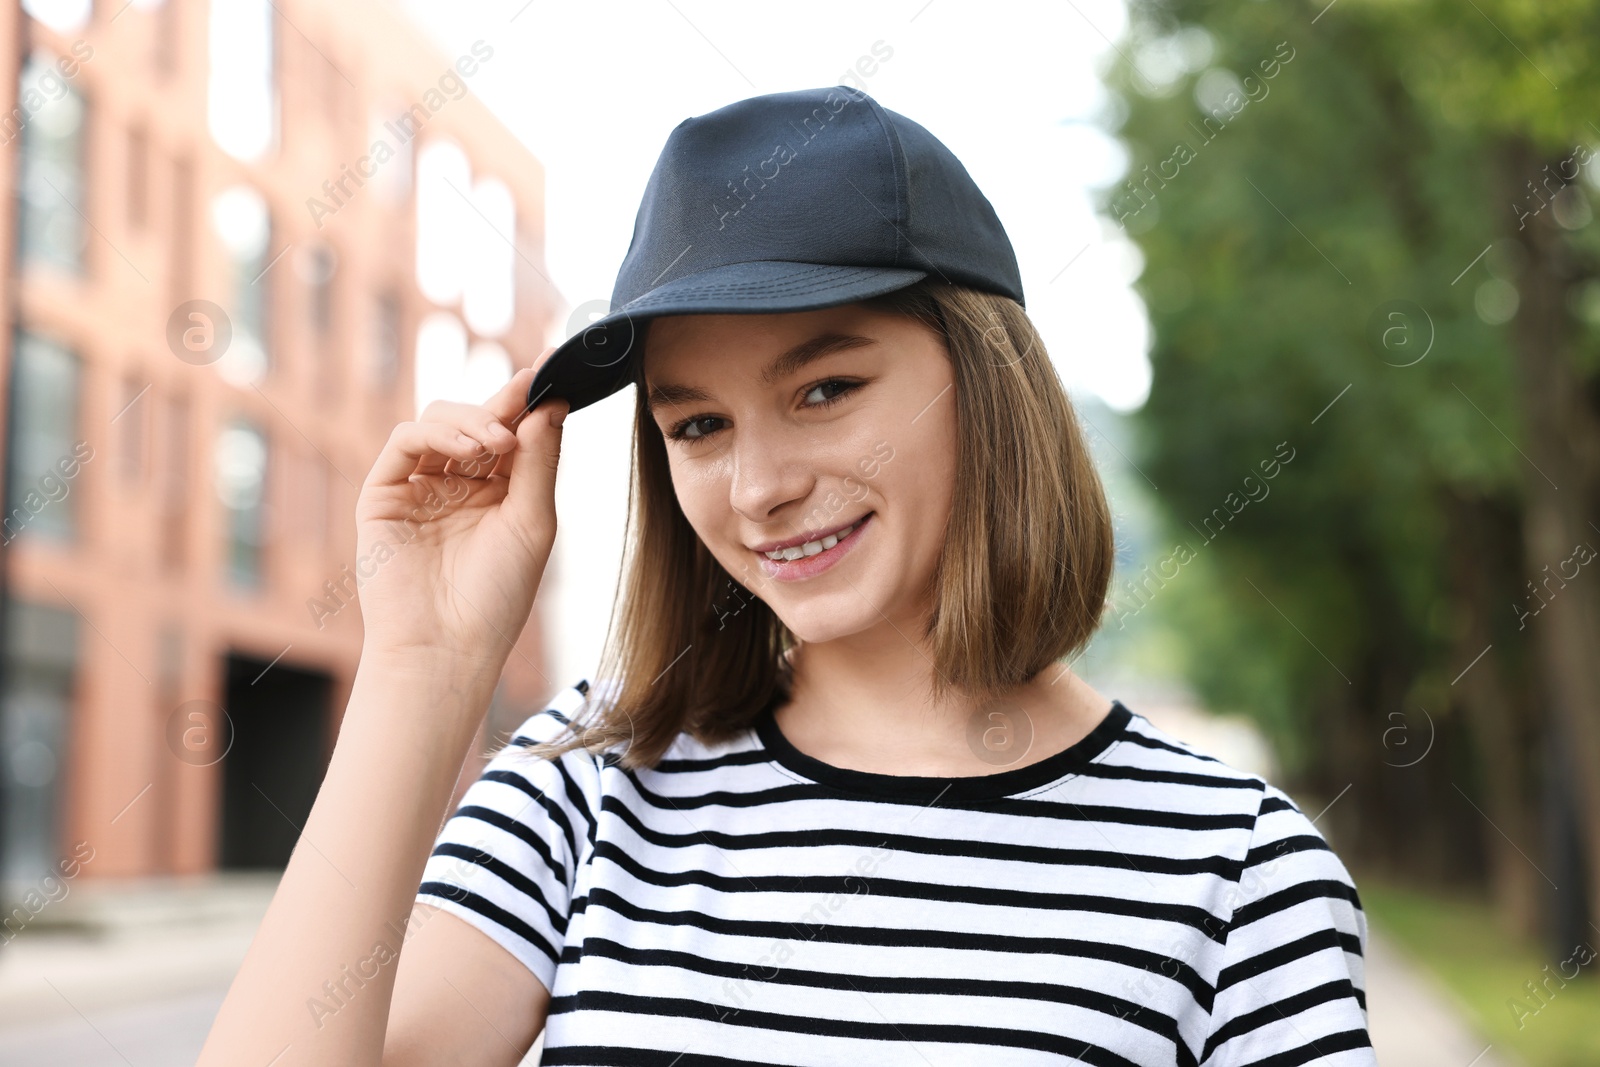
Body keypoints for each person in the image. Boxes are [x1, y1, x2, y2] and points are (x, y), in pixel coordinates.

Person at [198, 87, 1375, 1067]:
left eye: (824, 390)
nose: (757, 485)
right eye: (698, 424)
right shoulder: (589, 790)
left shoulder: (1233, 871)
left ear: (987, 381)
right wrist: (423, 665)